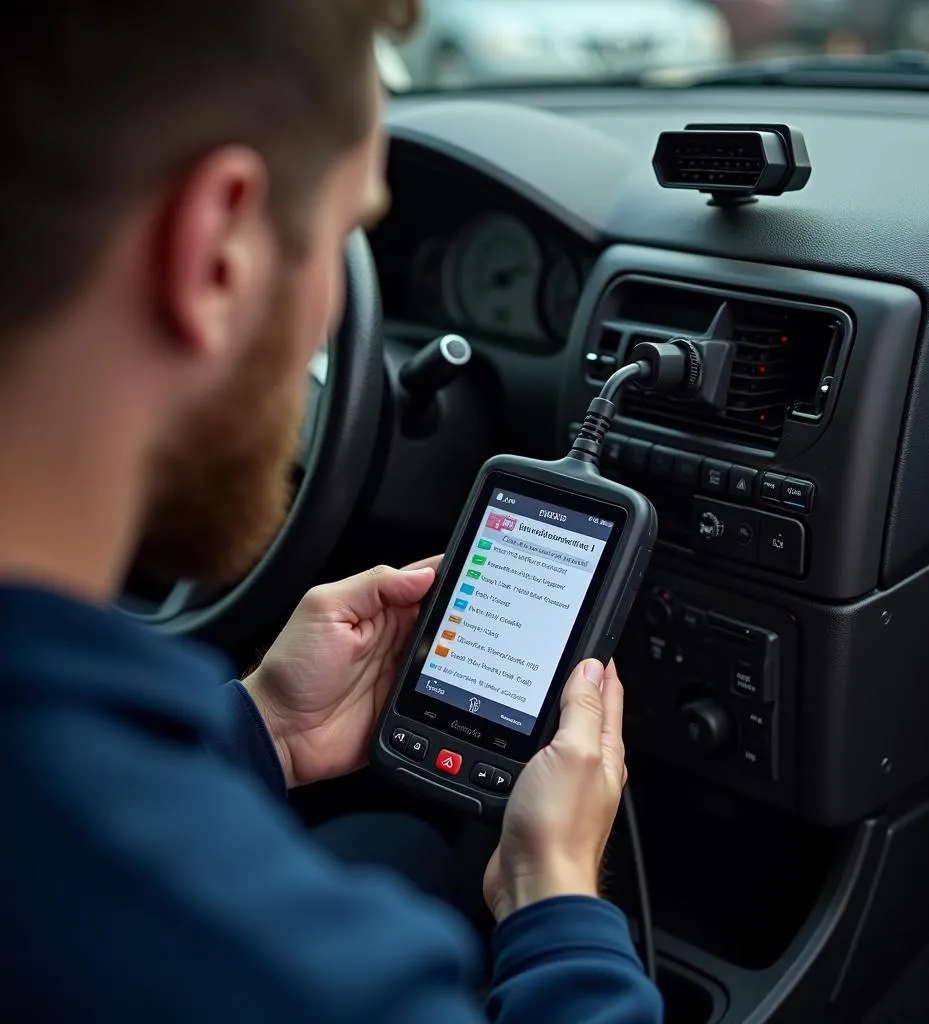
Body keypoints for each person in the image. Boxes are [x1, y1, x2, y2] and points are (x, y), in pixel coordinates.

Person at [0, 2, 664, 1021]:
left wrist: (259, 726)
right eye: (351, 232)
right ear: (217, 247)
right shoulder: (262, 962)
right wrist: (555, 896)